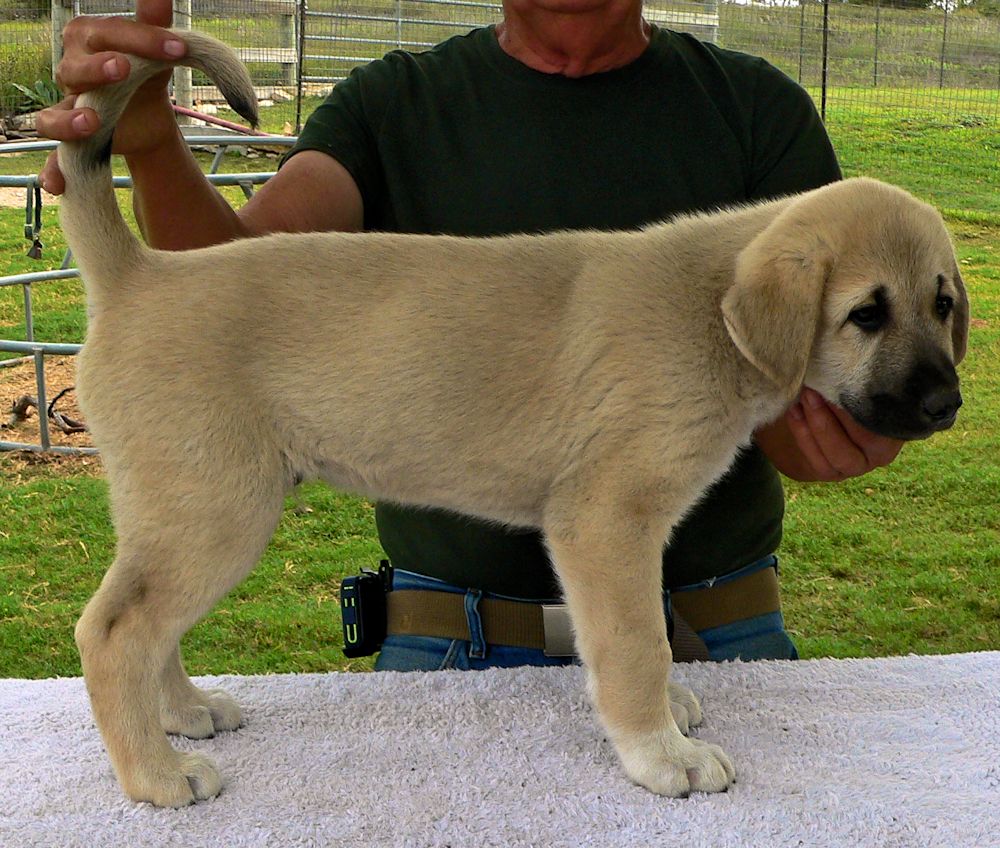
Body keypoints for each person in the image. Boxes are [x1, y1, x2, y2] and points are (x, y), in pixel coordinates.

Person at [38, 0, 903, 671]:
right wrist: (146, 145)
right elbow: (225, 303)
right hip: (446, 637)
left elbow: (812, 399)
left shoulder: (754, 111)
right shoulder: (394, 104)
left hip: (712, 633)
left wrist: (862, 413)